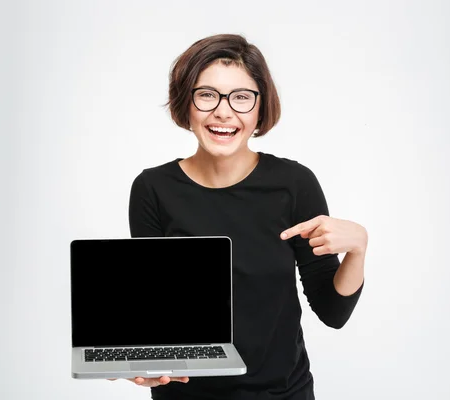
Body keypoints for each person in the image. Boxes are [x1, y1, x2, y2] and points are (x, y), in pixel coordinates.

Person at [124, 33, 368, 400]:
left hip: (282, 394)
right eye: (207, 95)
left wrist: (359, 248)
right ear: (186, 104)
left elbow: (333, 312)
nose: (223, 112)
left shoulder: (294, 184)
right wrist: (137, 364)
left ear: (259, 108)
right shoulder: (152, 188)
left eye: (241, 97)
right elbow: (153, 314)